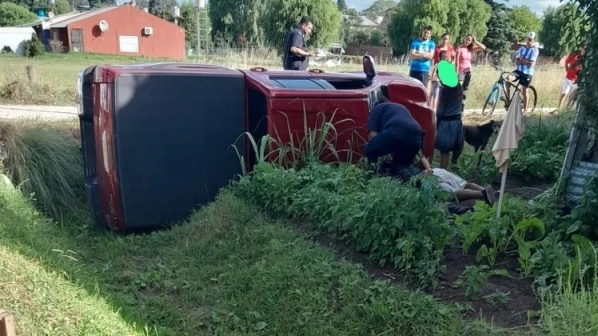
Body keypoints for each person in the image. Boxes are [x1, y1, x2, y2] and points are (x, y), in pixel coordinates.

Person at [364, 97, 425, 178]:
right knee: (400, 165)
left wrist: (382, 151)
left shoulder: (376, 109)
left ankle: (372, 176)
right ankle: (406, 176)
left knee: (369, 148)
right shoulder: (399, 107)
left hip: (397, 130)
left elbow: (372, 137)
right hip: (417, 135)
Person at [414, 156, 496, 206]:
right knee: (464, 184)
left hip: (425, 179)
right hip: (435, 171)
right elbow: (422, 157)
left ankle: (482, 194)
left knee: (455, 193)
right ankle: (486, 191)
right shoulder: (414, 143)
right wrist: (428, 168)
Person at [434, 60, 464, 169]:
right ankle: (453, 167)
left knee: (444, 150)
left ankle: (443, 172)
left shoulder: (445, 90)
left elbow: (440, 111)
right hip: (457, 120)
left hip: (447, 122)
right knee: (456, 147)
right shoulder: (459, 86)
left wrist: (437, 124)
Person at [508, 31, 539, 113]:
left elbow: (531, 64)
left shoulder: (535, 50)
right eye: (528, 39)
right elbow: (517, 62)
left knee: (524, 91)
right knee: (508, 79)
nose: (528, 41)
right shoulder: (521, 48)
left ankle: (525, 111)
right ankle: (508, 100)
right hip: (519, 71)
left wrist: (522, 59)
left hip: (527, 73)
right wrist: (524, 61)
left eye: (530, 40)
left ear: (533, 40)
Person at [455, 34, 486, 112]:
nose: (467, 41)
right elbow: (456, 62)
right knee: (459, 89)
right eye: (467, 39)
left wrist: (475, 41)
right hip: (461, 71)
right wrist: (456, 72)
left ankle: (462, 107)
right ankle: (456, 106)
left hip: (468, 71)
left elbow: (483, 48)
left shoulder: (470, 49)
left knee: (465, 89)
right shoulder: (459, 48)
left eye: (469, 40)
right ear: (464, 38)